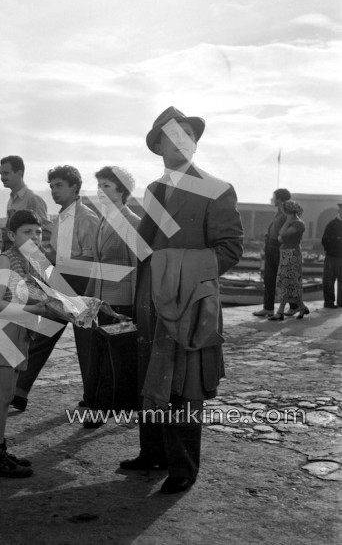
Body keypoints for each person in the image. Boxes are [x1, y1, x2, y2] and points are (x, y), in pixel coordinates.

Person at [122, 106, 243, 494]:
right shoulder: (155, 191)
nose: (181, 141)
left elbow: (229, 250)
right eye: (172, 136)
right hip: (151, 302)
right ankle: (152, 453)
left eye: (188, 134)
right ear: (158, 146)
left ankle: (183, 468)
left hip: (192, 302)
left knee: (186, 385)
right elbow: (145, 247)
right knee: (150, 377)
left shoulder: (217, 189)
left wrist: (177, 272)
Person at [12, 165, 99, 411]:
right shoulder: (61, 218)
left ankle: (93, 402)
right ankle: (19, 391)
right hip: (59, 282)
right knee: (41, 333)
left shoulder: (87, 219)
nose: (54, 190)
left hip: (81, 286)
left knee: (87, 348)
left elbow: (93, 261)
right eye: (51, 186)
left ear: (74, 187)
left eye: (59, 185)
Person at [0, 210, 47, 477]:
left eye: (38, 232)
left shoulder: (27, 263)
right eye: (27, 232)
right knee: (1, 398)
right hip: (0, 335)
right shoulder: (5, 262)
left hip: (16, 336)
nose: (34, 237)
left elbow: (34, 302)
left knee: (6, 397)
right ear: (11, 235)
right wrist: (37, 308)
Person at [83, 166, 140, 428]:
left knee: (114, 359)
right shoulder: (104, 219)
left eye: (106, 186)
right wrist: (89, 298)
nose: (100, 191)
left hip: (122, 301)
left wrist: (136, 306)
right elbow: (97, 263)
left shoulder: (131, 222)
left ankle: (103, 409)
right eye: (99, 186)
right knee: (102, 355)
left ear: (122, 191)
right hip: (102, 300)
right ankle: (102, 404)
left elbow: (139, 267)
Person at [252, 188, 298, 317]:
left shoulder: (288, 214)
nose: (272, 199)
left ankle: (294, 306)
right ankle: (268, 308)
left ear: (280, 199)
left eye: (274, 197)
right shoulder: (279, 212)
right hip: (271, 246)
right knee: (269, 278)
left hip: (280, 248)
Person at [0, 155, 52, 251]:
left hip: (31, 260)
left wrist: (39, 263)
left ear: (19, 173)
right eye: (1, 174)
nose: (2, 177)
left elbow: (46, 234)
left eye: (6, 173)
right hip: (15, 259)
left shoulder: (33, 199)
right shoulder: (11, 200)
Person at [268, 201, 309, 320]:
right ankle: (301, 307)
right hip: (287, 253)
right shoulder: (294, 222)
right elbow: (280, 237)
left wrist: (287, 220)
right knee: (287, 281)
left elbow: (282, 233)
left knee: (288, 281)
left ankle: (280, 312)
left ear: (287, 211)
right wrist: (282, 236)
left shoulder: (298, 224)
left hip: (292, 254)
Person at [321, 202, 342, 309]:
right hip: (332, 256)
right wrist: (331, 249)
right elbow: (324, 240)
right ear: (339, 210)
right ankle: (329, 302)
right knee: (329, 280)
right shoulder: (331, 225)